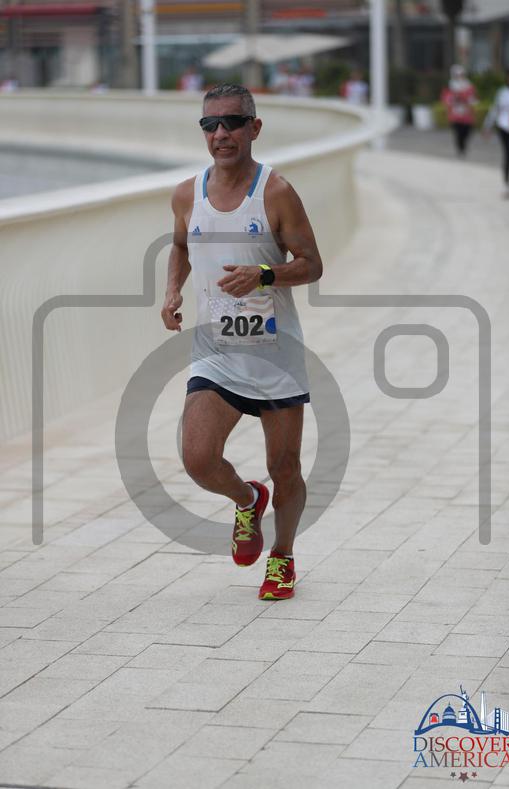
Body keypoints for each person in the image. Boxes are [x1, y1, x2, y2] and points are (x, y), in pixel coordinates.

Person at [161, 83, 323, 600]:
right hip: (217, 351)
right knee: (197, 458)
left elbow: (312, 264)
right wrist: (172, 290)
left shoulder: (275, 193)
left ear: (254, 128)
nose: (221, 133)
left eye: (232, 122)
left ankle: (282, 557)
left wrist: (264, 275)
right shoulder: (186, 193)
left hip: (275, 355)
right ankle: (248, 500)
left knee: (285, 467)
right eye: (210, 125)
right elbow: (182, 244)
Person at [483, 68, 509, 198]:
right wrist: (488, 125)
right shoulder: (503, 93)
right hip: (505, 127)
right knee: (508, 155)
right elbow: (495, 109)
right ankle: (506, 184)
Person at [441, 65, 477, 157]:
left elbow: (473, 99)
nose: (460, 77)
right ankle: (460, 149)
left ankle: (463, 146)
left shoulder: (469, 86)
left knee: (467, 132)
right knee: (458, 133)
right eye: (457, 75)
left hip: (467, 114)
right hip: (455, 115)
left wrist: (466, 99)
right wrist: (454, 98)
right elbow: (446, 100)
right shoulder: (450, 87)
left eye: (461, 75)